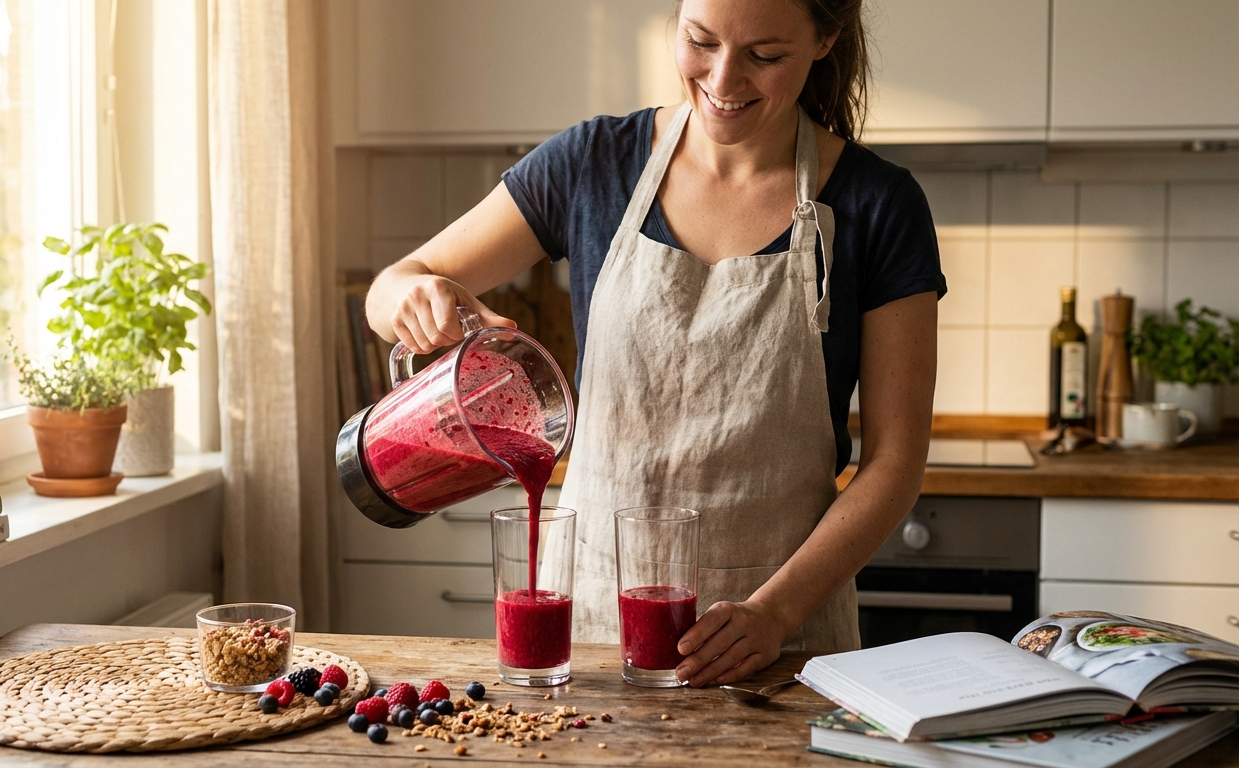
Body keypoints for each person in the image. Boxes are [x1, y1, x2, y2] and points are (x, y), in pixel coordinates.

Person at [365, 0, 943, 687]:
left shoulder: (880, 205)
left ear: (825, 40)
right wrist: (412, 297)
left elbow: (896, 464)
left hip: (777, 653)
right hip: (590, 645)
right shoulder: (592, 164)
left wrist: (774, 613)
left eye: (765, 56)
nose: (723, 80)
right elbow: (391, 288)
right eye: (700, 41)